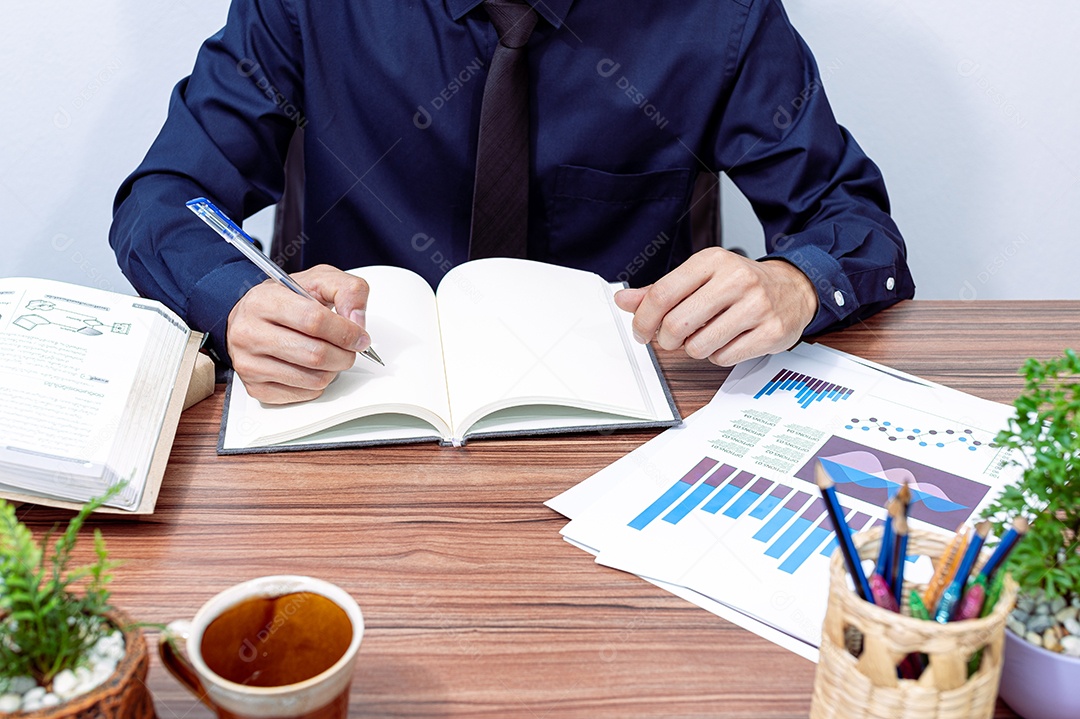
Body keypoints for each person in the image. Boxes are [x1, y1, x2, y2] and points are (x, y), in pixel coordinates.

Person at [110, 0, 914, 405]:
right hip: (353, 404)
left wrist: (795, 283)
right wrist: (239, 301)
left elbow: (854, 224)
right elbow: (165, 197)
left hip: (620, 432)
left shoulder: (721, 14)